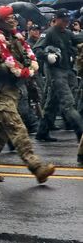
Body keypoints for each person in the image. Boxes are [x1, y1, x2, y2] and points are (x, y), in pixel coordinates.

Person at [0, 6, 55, 183]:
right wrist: (14, 69)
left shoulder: (16, 38)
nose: (13, 20)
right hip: (2, 92)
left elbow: (27, 57)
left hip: (15, 90)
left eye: (14, 17)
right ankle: (36, 167)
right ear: (1, 21)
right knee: (17, 128)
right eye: (9, 18)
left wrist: (27, 67)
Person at [33, 9, 83, 147]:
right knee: (68, 102)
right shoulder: (48, 33)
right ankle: (81, 132)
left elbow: (77, 39)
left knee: (52, 103)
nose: (66, 23)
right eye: (63, 20)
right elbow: (37, 50)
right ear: (57, 19)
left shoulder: (67, 33)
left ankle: (42, 132)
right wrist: (46, 56)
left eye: (67, 21)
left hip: (67, 70)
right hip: (55, 72)